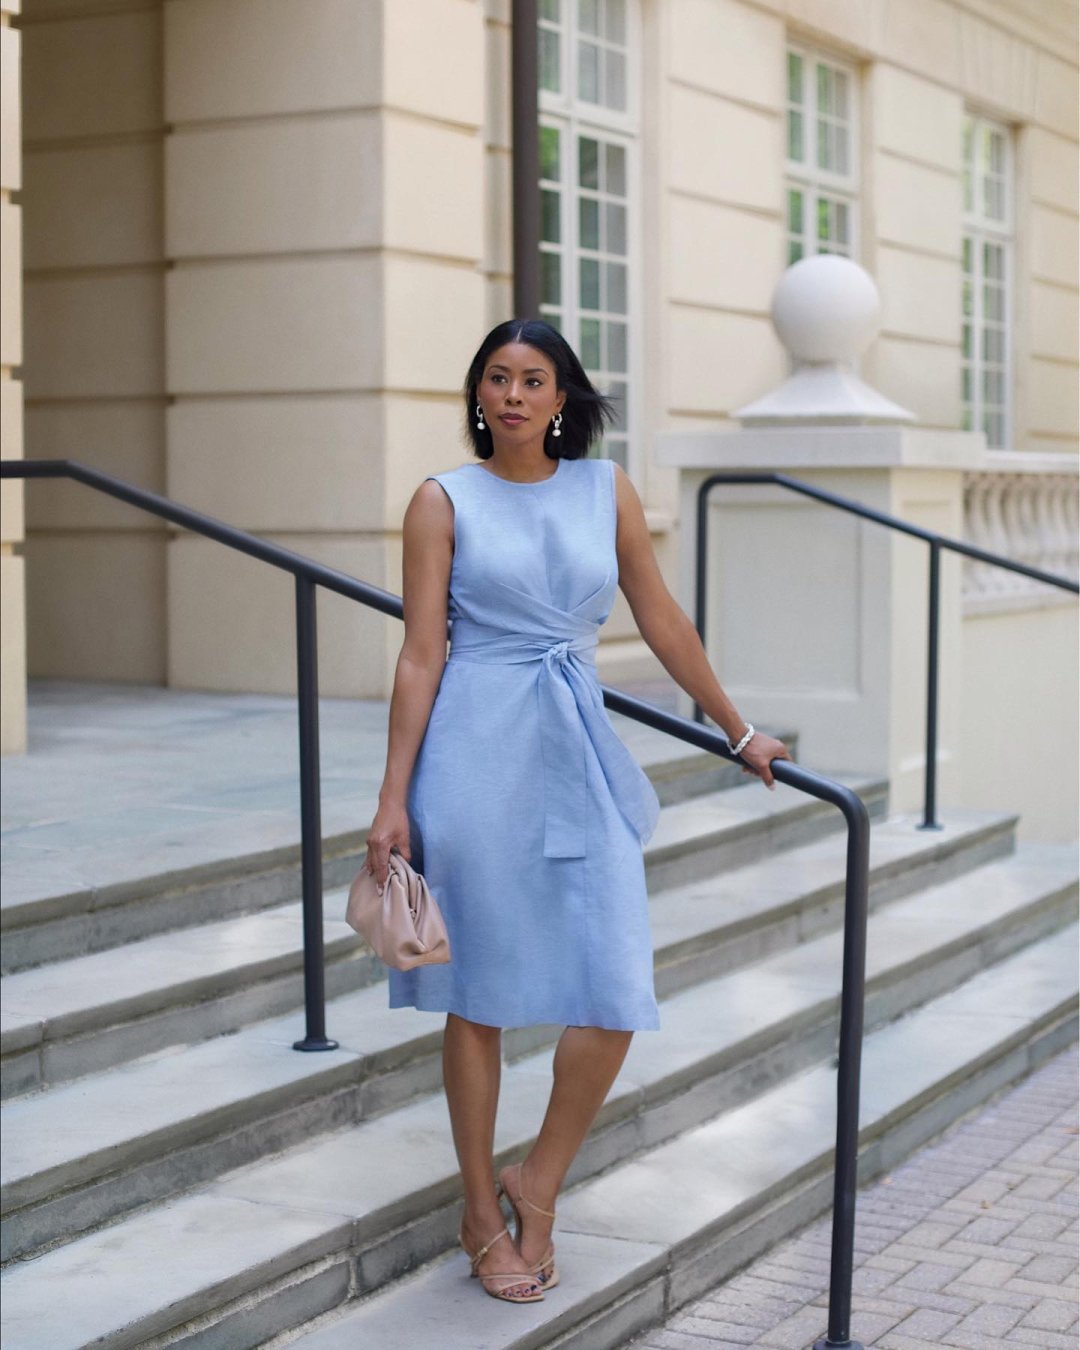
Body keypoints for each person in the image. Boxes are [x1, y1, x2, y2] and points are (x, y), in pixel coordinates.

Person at [363, 318, 791, 1305]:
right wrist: (393, 797)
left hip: (575, 752)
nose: (514, 394)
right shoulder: (442, 502)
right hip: (472, 756)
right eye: (498, 379)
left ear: (564, 400)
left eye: (535, 379)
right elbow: (422, 654)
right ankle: (480, 1211)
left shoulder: (607, 491)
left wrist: (737, 729)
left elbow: (660, 616)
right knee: (474, 1000)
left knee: (611, 984)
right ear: (479, 397)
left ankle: (537, 1187)